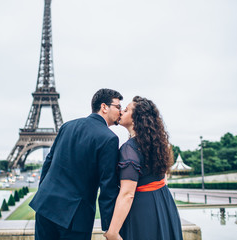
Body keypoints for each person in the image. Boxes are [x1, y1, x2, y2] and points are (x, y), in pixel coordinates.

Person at [29, 88, 123, 240]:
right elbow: (108, 186)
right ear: (104, 107)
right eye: (118, 107)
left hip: (45, 206)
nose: (121, 111)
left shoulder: (68, 126)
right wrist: (109, 227)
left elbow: (48, 162)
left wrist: (44, 194)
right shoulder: (109, 138)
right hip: (74, 216)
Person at [104, 96, 183, 240]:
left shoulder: (129, 149)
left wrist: (113, 232)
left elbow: (127, 194)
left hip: (143, 210)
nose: (121, 112)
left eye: (126, 110)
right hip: (164, 201)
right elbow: (163, 177)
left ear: (136, 118)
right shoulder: (157, 144)